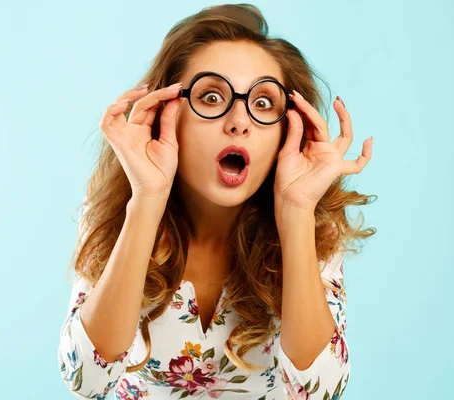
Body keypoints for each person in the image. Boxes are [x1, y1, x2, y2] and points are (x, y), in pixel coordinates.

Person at [58, 4, 376, 399]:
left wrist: (295, 215)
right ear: (165, 113)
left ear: (285, 132)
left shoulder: (316, 227)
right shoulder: (112, 213)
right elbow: (86, 380)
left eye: (262, 103)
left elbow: (321, 391)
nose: (239, 121)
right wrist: (146, 200)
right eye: (211, 97)